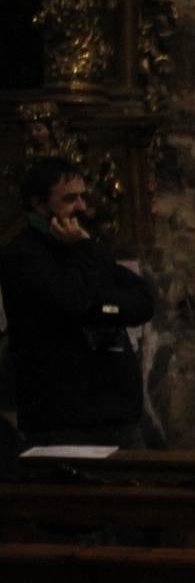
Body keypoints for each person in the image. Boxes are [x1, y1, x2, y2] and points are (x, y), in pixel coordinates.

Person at [0, 157, 154, 447]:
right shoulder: (24, 255)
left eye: (83, 196)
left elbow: (142, 301)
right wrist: (85, 256)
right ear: (39, 203)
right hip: (62, 420)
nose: (82, 207)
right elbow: (70, 300)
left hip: (117, 414)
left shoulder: (85, 248)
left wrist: (100, 308)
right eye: (70, 198)